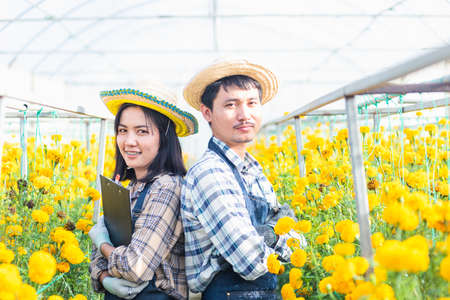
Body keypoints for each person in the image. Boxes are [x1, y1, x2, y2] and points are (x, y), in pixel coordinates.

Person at [181, 59, 302, 300]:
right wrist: (277, 231)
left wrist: (267, 234)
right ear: (207, 113)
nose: (244, 114)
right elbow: (250, 261)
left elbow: (299, 244)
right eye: (231, 105)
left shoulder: (253, 170)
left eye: (251, 103)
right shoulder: (210, 173)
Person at [88, 86, 198, 300]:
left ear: (165, 137)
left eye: (142, 131)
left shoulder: (167, 187)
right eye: (122, 130)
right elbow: (95, 262)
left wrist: (102, 245)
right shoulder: (129, 188)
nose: (129, 141)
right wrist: (103, 277)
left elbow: (135, 266)